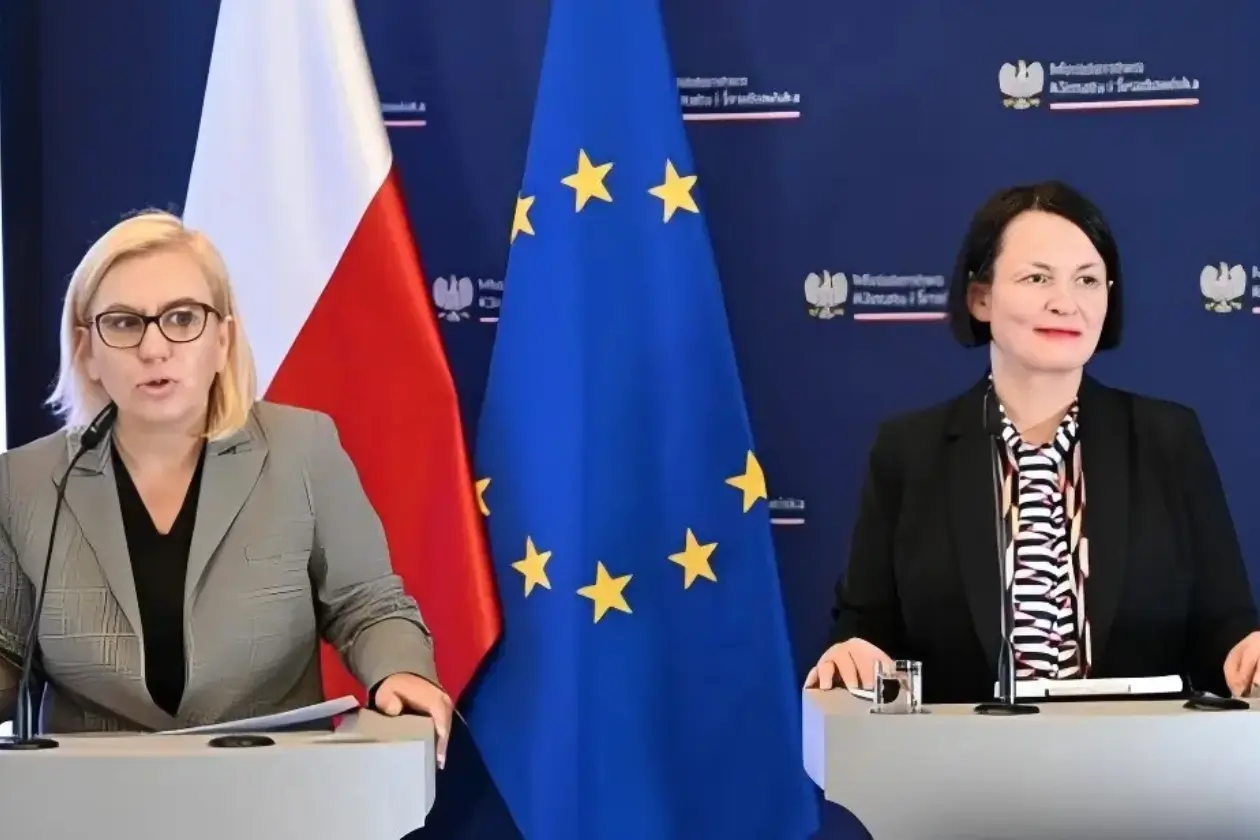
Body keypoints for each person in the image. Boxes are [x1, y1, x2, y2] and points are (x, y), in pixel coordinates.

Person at [0, 210, 453, 765]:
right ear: (87, 351)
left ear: (223, 339)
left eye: (182, 318)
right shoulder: (23, 482)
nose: (154, 348)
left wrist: (400, 670)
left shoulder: (302, 449)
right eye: (122, 323)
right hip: (91, 794)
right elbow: (7, 654)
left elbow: (367, 605)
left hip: (272, 783)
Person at [805, 180, 1260, 704]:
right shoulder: (909, 451)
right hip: (961, 754)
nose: (1066, 303)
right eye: (1037, 277)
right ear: (980, 297)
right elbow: (865, 628)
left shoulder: (1168, 439)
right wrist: (852, 652)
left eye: (1087, 280)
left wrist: (1245, 651)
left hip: (1139, 753)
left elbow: (1226, 627)